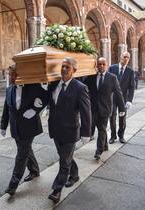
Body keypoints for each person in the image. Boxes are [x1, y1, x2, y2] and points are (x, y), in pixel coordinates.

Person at [47, 57, 91, 203]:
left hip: (70, 131)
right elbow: (48, 100)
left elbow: (86, 112)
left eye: (67, 67)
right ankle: (75, 174)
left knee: (64, 162)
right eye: (63, 66)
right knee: (65, 157)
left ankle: (57, 190)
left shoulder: (80, 88)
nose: (64, 69)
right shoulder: (53, 84)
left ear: (74, 70)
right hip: (55, 129)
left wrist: (86, 133)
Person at [0, 65, 48, 196]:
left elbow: (45, 97)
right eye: (10, 75)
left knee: (21, 154)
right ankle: (34, 170)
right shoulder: (9, 89)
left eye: (13, 75)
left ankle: (13, 184)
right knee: (26, 150)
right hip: (15, 128)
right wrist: (3, 126)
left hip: (29, 126)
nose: (11, 77)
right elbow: (6, 109)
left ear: (20, 76)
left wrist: (34, 110)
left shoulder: (32, 86)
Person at [84, 57, 125, 160]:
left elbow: (118, 93)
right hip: (93, 108)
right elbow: (82, 86)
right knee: (99, 128)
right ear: (96, 65)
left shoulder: (112, 77)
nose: (101, 66)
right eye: (99, 64)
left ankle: (99, 150)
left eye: (103, 64)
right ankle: (105, 145)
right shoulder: (91, 77)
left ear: (106, 65)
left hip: (105, 109)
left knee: (102, 129)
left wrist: (122, 108)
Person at [108, 51, 135, 144]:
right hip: (112, 98)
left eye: (128, 57)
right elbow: (107, 83)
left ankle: (121, 136)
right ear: (120, 57)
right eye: (125, 57)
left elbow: (132, 87)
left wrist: (129, 100)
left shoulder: (130, 71)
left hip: (123, 99)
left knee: (122, 118)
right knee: (112, 117)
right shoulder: (112, 68)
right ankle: (112, 136)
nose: (126, 59)